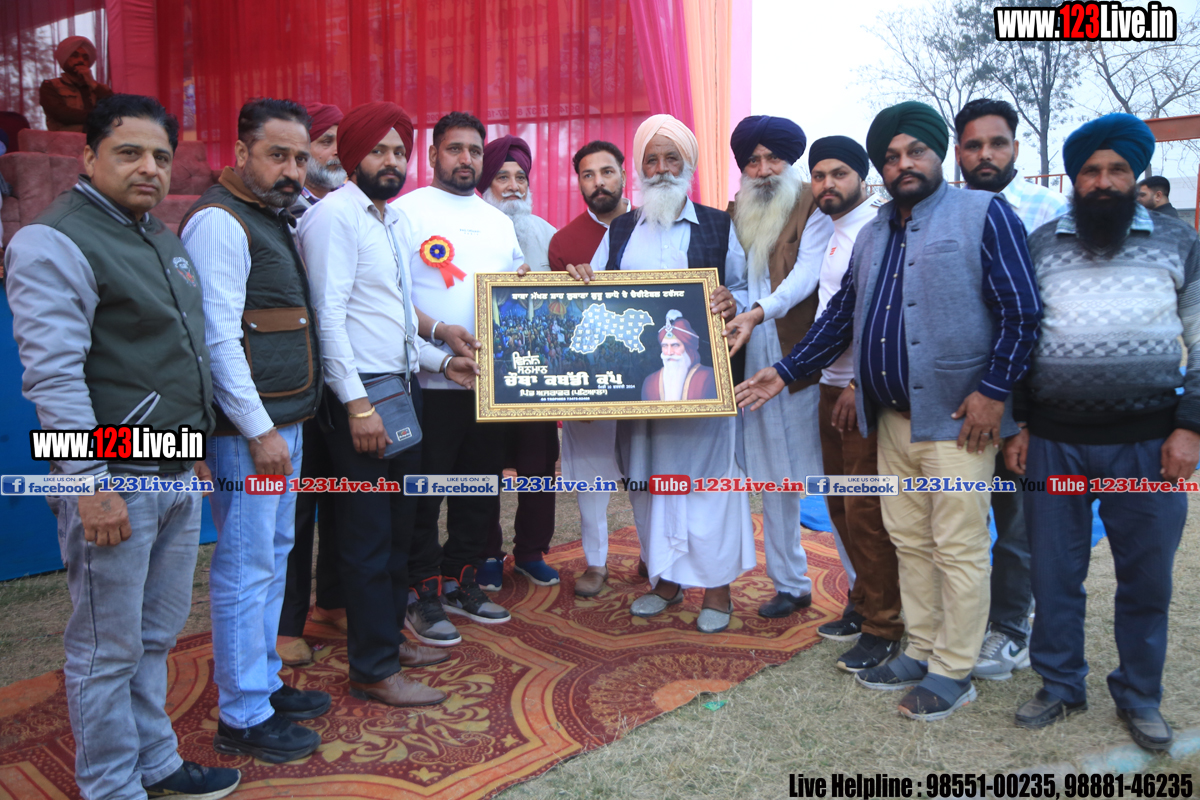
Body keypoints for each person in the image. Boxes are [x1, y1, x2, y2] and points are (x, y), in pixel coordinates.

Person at [736, 101, 1041, 720]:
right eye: (892, 156)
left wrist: (993, 392)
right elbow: (840, 317)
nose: (904, 164)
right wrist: (785, 371)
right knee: (909, 540)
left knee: (957, 546)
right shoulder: (874, 233)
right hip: (892, 420)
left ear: (938, 155)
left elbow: (1022, 312)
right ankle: (921, 647)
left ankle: (953, 670)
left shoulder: (983, 213)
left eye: (915, 152)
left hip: (958, 424)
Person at [6, 94, 239, 799]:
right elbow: (55, 376)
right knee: (106, 648)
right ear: (88, 157)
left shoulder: (157, 236)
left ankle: (155, 762)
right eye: (129, 152)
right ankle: (110, 786)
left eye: (161, 156)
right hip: (115, 476)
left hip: (174, 469)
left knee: (155, 636)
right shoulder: (54, 241)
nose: (149, 168)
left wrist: (194, 449)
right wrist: (89, 482)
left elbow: (177, 356)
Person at [1006, 114, 1200, 751]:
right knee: (1053, 573)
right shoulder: (1041, 245)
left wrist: (1190, 429)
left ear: (1136, 175)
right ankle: (1060, 683)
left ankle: (1140, 695)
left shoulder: (1179, 242)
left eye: (1118, 169)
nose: (1104, 182)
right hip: (1054, 443)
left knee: (1146, 578)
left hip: (1149, 444)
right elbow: (1023, 338)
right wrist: (1021, 425)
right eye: (1091, 170)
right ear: (1074, 178)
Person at [299, 101, 478, 706]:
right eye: (378, 150)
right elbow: (328, 319)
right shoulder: (334, 216)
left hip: (402, 388)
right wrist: (356, 406)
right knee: (369, 534)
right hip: (362, 397)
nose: (391, 161)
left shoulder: (394, 220)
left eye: (399, 150)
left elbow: (395, 321)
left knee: (400, 529)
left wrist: (443, 360)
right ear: (353, 156)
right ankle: (372, 668)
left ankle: (389, 639)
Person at [180, 98, 329, 763]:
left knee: (271, 555)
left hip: (280, 424)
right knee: (246, 566)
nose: (292, 169)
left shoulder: (268, 217)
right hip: (250, 435)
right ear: (241, 153)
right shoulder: (220, 222)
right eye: (277, 155)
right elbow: (216, 339)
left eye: (299, 157)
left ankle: (262, 684)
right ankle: (242, 714)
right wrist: (258, 430)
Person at [569, 113, 752, 635]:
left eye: (672, 158)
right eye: (652, 159)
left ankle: (716, 590)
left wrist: (733, 300)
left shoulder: (719, 224)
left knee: (711, 485)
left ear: (688, 165)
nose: (662, 168)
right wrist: (580, 278)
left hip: (703, 389)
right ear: (640, 168)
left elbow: (746, 290)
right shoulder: (622, 229)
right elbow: (595, 293)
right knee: (648, 483)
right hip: (642, 389)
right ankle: (666, 581)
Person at [740, 135, 904, 671]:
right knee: (839, 504)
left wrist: (856, 384)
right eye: (820, 175)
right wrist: (783, 363)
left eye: (839, 174)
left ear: (862, 176)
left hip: (859, 389)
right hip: (822, 380)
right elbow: (835, 314)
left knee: (865, 510)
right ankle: (863, 606)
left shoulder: (878, 230)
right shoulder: (830, 228)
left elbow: (876, 316)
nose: (828, 184)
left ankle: (884, 624)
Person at [391, 112, 519, 644]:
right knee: (423, 495)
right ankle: (420, 592)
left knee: (479, 492)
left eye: (474, 150)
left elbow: (516, 289)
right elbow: (392, 297)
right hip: (428, 382)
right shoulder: (404, 213)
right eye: (454, 148)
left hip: (487, 386)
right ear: (432, 155)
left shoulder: (499, 220)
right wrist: (439, 346)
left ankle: (461, 579)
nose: (466, 159)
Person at [953, 97, 1069, 682]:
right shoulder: (946, 212)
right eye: (973, 145)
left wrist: (1025, 410)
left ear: (1016, 148)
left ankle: (1011, 627)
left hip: (1024, 391)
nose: (986, 155)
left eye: (997, 143)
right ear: (958, 153)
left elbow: (1046, 314)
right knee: (961, 520)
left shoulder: (1049, 211)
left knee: (1018, 519)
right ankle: (969, 622)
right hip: (961, 396)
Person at [721, 115, 830, 621]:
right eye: (753, 161)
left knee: (826, 477)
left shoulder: (814, 202)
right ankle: (791, 583)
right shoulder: (736, 209)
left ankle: (864, 592)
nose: (763, 170)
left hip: (806, 359)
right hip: (752, 359)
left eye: (773, 158)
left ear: (791, 160)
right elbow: (740, 282)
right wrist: (731, 300)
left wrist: (758, 309)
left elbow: (807, 275)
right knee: (772, 478)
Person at [278, 101, 349, 667]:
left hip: (344, 381)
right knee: (297, 509)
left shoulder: (353, 210)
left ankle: (333, 600)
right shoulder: (282, 211)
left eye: (336, 142)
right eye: (322, 143)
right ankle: (285, 623)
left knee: (344, 497)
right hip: (297, 385)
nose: (332, 153)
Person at [477, 134, 561, 591]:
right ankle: (486, 553)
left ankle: (531, 551)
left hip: (537, 376)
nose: (513, 186)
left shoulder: (547, 234)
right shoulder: (470, 230)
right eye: (502, 177)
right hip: (483, 373)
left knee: (538, 465)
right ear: (486, 184)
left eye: (520, 178)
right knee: (484, 465)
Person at [548, 141, 631, 597]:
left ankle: (657, 560)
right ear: (578, 182)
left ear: (624, 174)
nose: (599, 182)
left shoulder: (653, 225)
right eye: (587, 174)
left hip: (646, 376)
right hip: (590, 377)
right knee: (592, 476)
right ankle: (596, 562)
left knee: (649, 474)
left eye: (607, 171)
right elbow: (558, 321)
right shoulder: (563, 243)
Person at [40, 36, 113, 132]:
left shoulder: (100, 88)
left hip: (98, 139)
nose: (80, 60)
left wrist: (92, 84)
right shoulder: (51, 86)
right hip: (64, 140)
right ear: (65, 58)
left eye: (85, 57)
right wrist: (98, 117)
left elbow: (115, 109)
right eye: (74, 56)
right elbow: (61, 114)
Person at [641, 312, 717, 399]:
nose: (669, 352)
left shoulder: (709, 377)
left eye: (675, 345)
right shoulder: (650, 381)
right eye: (665, 346)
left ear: (688, 348)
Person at [290, 102, 346, 216]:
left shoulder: (355, 199)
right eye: (326, 142)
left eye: (342, 142)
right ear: (301, 150)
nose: (338, 151)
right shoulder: (283, 204)